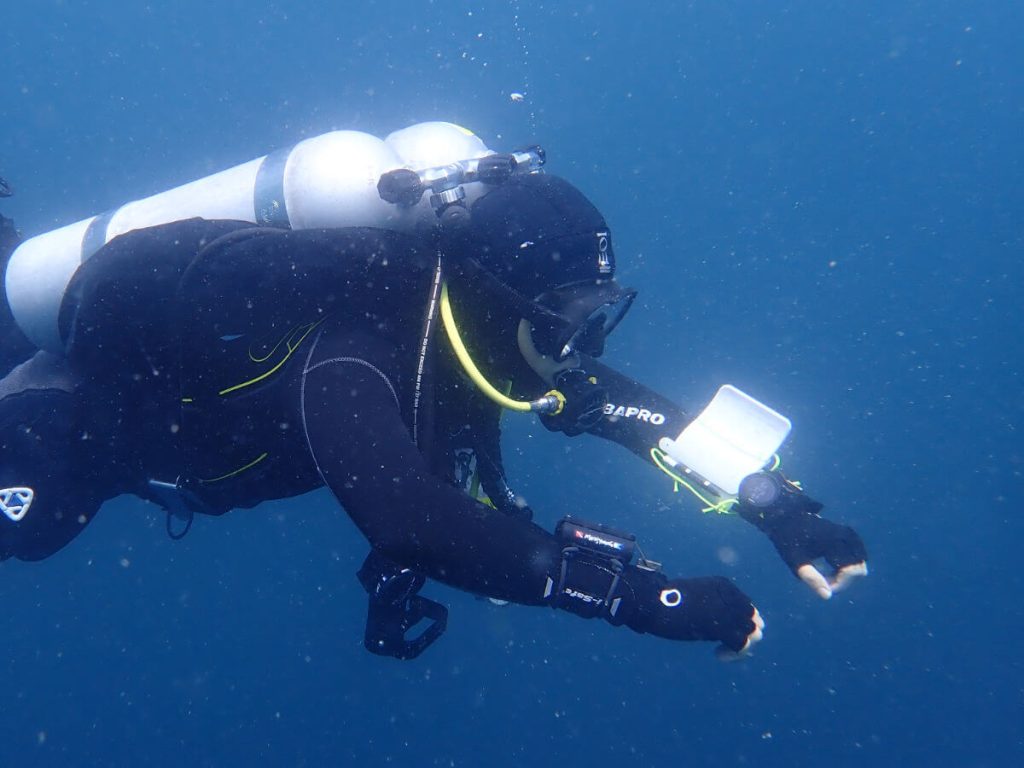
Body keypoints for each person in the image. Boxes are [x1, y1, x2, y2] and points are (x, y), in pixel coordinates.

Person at [0, 172, 867, 660]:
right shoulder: (362, 346)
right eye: (568, 313)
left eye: (601, 308)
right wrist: (641, 596)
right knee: (32, 528)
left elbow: (624, 410)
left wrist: (779, 506)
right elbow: (407, 517)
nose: (582, 341)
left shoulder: (486, 337)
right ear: (495, 299)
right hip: (73, 418)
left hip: (179, 435)